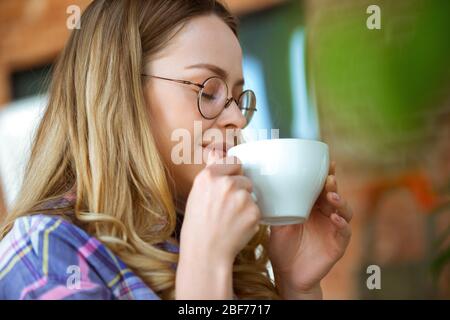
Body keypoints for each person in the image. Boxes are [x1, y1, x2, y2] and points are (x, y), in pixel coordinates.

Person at [0, 0, 352, 300]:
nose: (236, 120)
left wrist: (295, 284)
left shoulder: (222, 248)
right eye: (207, 89)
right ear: (123, 94)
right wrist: (205, 266)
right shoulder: (44, 252)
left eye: (236, 97)